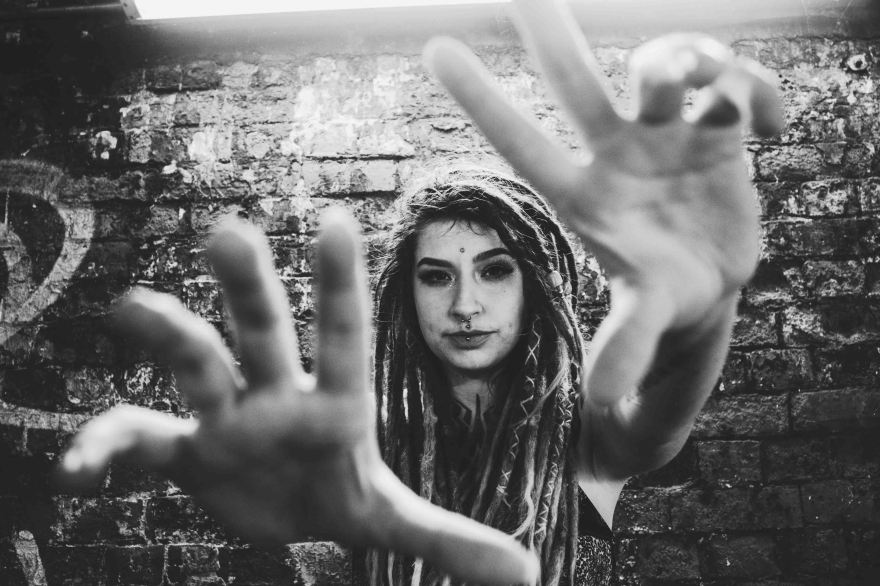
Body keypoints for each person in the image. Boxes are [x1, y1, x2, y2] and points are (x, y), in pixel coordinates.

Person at [56, 0, 783, 585]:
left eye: (496, 270)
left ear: (537, 290)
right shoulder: (361, 435)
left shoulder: (583, 438)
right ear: (406, 296)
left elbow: (658, 423)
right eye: (437, 275)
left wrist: (707, 307)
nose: (465, 303)